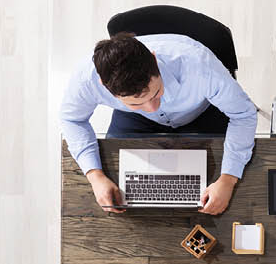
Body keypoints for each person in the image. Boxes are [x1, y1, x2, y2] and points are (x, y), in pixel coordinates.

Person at [60, 32, 258, 215]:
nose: (152, 108)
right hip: (135, 120)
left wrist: (227, 179)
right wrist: (95, 176)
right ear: (103, 85)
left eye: (156, 93)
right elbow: (71, 119)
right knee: (123, 192)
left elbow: (243, 114)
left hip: (202, 113)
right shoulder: (88, 79)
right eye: (136, 102)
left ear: (154, 60)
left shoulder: (199, 64)